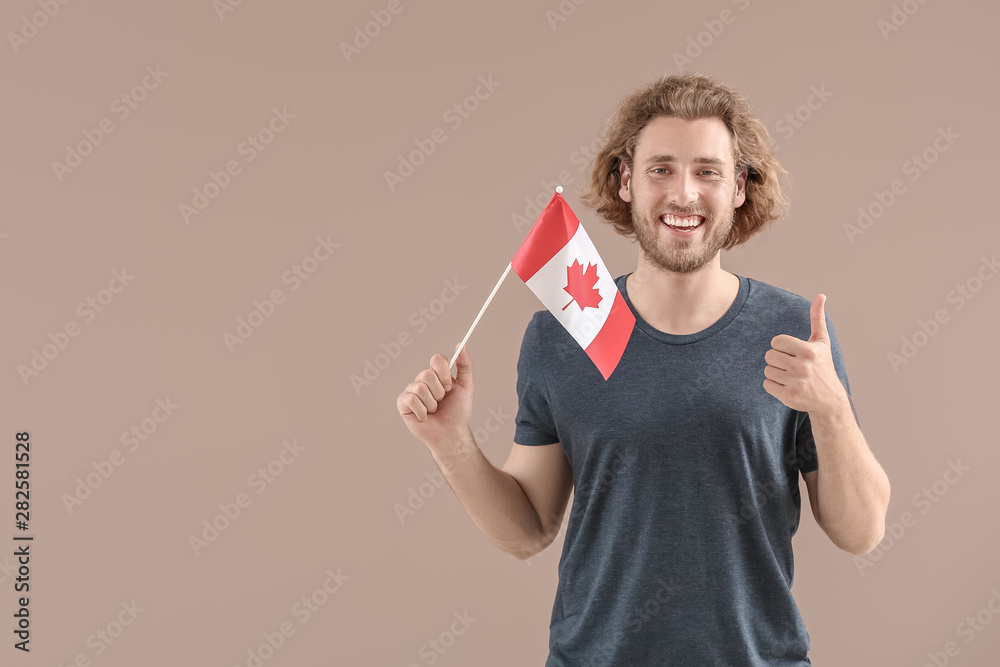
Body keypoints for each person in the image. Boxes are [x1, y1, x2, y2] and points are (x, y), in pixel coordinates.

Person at [396, 72, 890, 666]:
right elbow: (527, 530)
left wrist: (832, 411)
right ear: (626, 182)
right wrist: (450, 443)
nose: (683, 194)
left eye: (708, 170)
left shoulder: (794, 331)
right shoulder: (562, 334)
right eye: (661, 169)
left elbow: (861, 532)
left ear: (739, 188)